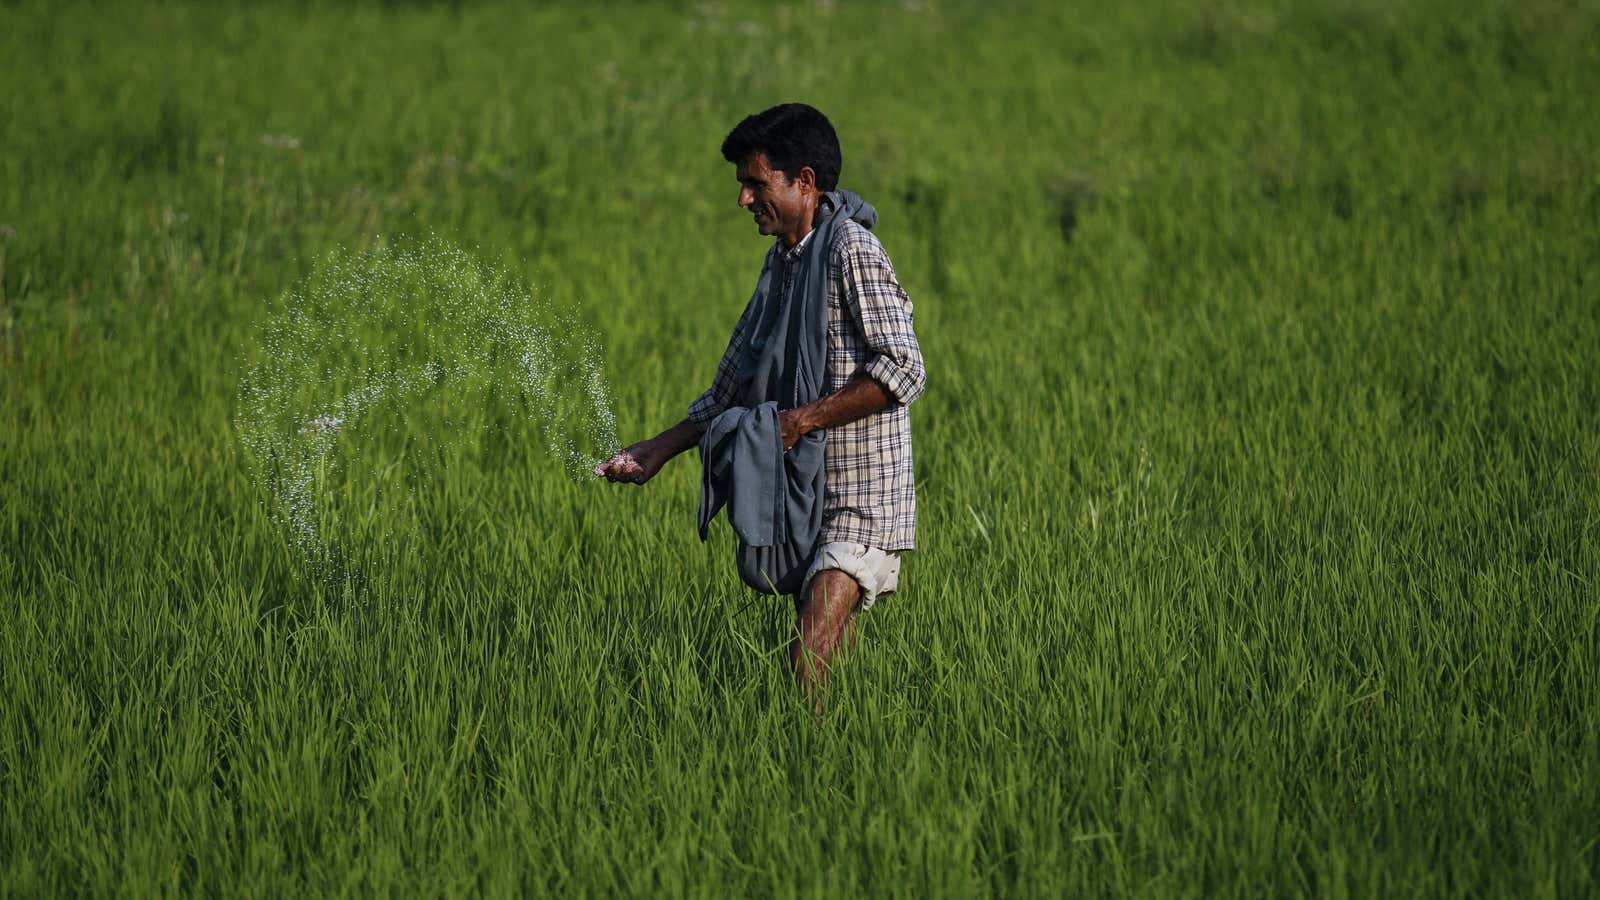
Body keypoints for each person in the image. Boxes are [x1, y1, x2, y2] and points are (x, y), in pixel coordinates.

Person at [596, 103, 925, 702]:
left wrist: (799, 421)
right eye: (743, 185)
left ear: (804, 180)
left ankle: (807, 769)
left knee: (807, 658)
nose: (744, 200)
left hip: (862, 496)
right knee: (830, 667)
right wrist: (657, 451)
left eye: (756, 183)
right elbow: (730, 390)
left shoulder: (852, 250)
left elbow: (903, 369)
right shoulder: (781, 266)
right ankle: (842, 765)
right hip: (805, 491)